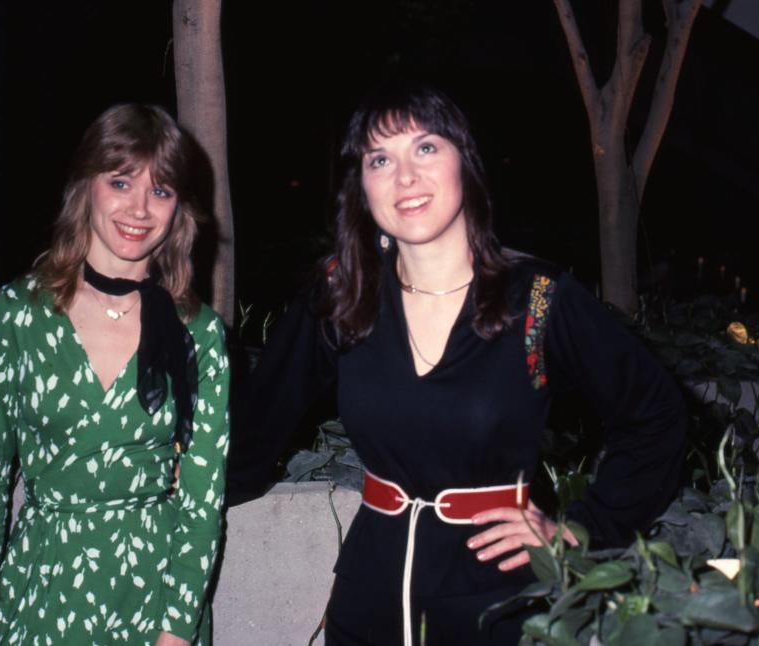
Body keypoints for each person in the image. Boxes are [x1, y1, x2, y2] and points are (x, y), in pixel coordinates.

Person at [227, 83, 686, 645]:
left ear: (464, 163)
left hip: (499, 604)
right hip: (369, 595)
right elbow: (257, 425)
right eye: (380, 159)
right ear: (361, 186)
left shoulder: (538, 299)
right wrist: (162, 486)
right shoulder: (342, 294)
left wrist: (583, 529)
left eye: (425, 148)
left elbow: (656, 416)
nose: (405, 177)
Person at [0, 104, 229, 646]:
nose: (139, 208)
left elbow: (203, 502)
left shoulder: (198, 333)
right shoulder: (19, 313)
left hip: (152, 598)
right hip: (40, 591)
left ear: (179, 209)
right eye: (121, 181)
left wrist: (177, 632)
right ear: (87, 187)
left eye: (161, 190)